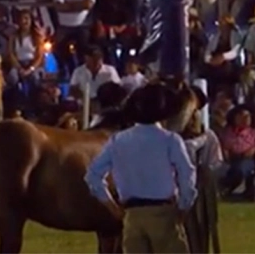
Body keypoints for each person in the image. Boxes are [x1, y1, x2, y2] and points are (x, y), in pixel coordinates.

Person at [84, 84, 196, 254]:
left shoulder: (118, 141)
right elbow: (186, 175)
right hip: (163, 212)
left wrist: (111, 207)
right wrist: (183, 206)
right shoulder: (170, 140)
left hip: (132, 215)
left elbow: (93, 176)